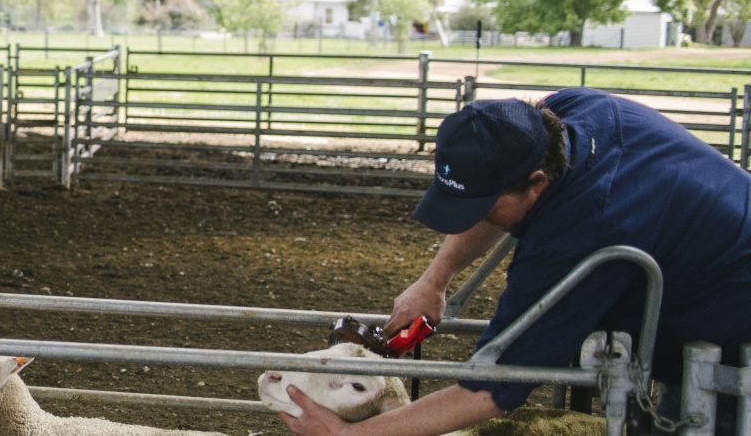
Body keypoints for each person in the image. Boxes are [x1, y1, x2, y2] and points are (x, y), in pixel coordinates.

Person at [280, 89, 751, 436]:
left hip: (732, 333)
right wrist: (436, 279)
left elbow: (493, 388)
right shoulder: (569, 113)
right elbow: (499, 200)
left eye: (484, 208)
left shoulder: (579, 234)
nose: (475, 219)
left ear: (537, 183)